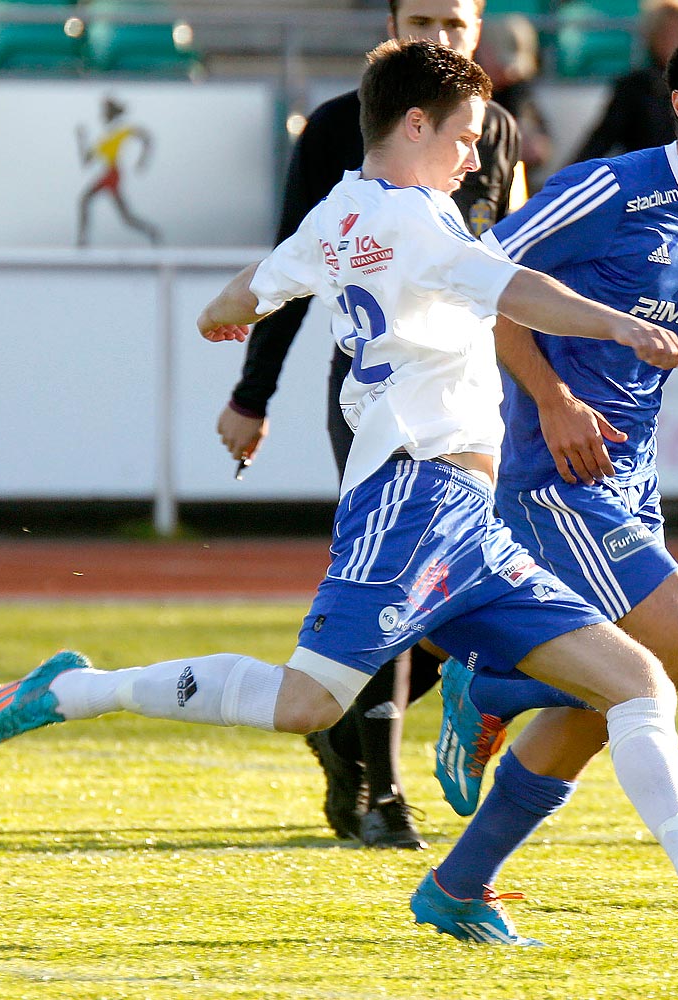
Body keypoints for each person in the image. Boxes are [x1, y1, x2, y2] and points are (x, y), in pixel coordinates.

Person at [0, 40, 678, 944]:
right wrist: (622, 326)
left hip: (469, 519)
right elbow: (518, 287)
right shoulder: (422, 225)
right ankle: (76, 691)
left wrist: (226, 319)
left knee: (639, 680)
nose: (474, 157)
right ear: (416, 126)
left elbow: (239, 297)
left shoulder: (335, 216)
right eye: (464, 139)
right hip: (409, 504)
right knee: (308, 703)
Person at [415, 18, 678, 943]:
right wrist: (554, 398)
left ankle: (458, 883)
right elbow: (478, 284)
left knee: (610, 696)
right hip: (548, 473)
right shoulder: (609, 187)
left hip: (629, 481)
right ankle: (491, 684)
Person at [214, 0, 523, 850]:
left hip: (468, 399)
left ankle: (337, 725)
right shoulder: (336, 129)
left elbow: (511, 267)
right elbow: (291, 267)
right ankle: (383, 791)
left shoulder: (491, 130)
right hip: (375, 395)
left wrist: (549, 393)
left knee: (448, 593)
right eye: (421, 20)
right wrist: (252, 395)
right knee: (395, 580)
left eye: (455, 24)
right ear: (390, 26)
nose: (438, 38)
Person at [571, 0, 678, 163]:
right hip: (648, 181)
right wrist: (565, 180)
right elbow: (599, 143)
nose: (674, 39)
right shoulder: (633, 87)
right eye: (665, 33)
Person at [475, 12, 552, 186]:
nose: (510, 74)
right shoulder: (463, 91)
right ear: (484, 49)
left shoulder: (518, 88)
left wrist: (535, 145)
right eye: (502, 64)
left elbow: (540, 147)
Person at [76, 95, 161, 247]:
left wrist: (142, 160)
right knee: (125, 217)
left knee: (85, 200)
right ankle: (151, 231)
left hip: (112, 174)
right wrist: (81, 140)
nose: (102, 116)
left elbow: (146, 137)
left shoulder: (121, 131)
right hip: (110, 173)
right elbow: (86, 160)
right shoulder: (105, 138)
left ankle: (82, 240)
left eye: (105, 112)